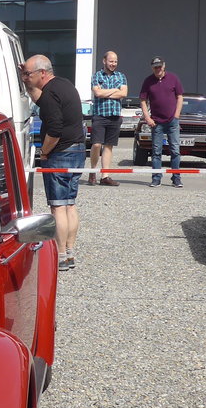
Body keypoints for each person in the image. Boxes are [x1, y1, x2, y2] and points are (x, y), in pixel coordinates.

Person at [22, 54, 84, 271]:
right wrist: (25, 80)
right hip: (77, 150)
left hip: (60, 153)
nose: (27, 77)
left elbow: (55, 130)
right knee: (69, 204)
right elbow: (38, 98)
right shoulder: (64, 86)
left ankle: (60, 255)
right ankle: (70, 251)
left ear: (42, 73)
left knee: (58, 206)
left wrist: (44, 152)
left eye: (29, 74)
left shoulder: (50, 94)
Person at [139, 56, 184, 188]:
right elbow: (142, 100)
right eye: (155, 67)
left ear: (164, 66)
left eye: (159, 66)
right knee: (156, 151)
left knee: (175, 150)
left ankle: (176, 178)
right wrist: (147, 118)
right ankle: (156, 178)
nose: (158, 69)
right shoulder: (148, 81)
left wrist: (177, 115)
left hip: (172, 121)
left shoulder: (173, 78)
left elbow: (180, 96)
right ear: (152, 68)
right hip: (156, 122)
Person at [88, 50, 128, 186]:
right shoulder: (96, 76)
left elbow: (123, 93)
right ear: (104, 61)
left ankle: (105, 176)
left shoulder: (121, 76)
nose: (113, 64)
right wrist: (115, 91)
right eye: (111, 61)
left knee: (108, 146)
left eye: (115, 61)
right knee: (96, 144)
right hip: (100, 115)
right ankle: (92, 171)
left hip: (115, 115)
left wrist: (108, 92)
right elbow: (97, 93)